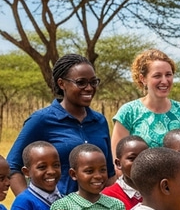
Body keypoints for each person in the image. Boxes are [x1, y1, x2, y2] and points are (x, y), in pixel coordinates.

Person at [7, 54, 113, 197]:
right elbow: (12, 166)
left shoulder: (99, 121)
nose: (89, 88)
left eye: (93, 82)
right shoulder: (41, 120)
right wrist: (32, 206)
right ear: (61, 83)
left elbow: (110, 173)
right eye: (81, 82)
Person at [110, 49, 180, 151]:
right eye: (157, 76)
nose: (164, 81)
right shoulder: (129, 112)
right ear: (143, 79)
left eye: (168, 75)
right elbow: (117, 159)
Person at [102, 135, 147, 210]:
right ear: (118, 163)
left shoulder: (156, 192)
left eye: (144, 157)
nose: (139, 162)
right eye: (132, 158)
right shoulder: (108, 197)